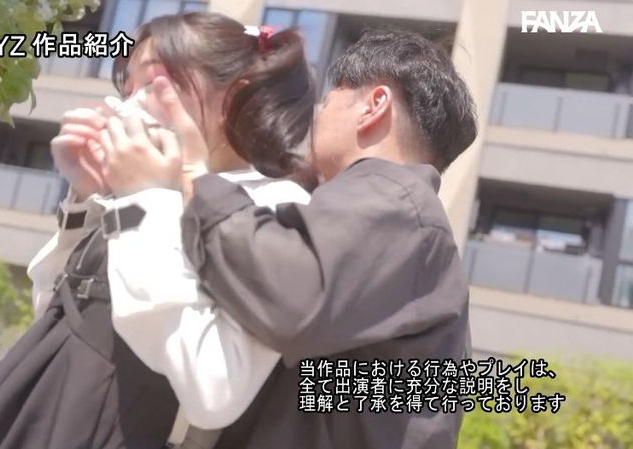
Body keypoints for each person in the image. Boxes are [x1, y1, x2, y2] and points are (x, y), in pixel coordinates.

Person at [0, 12, 315, 449]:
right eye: (128, 89)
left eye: (154, 85)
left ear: (235, 95)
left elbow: (214, 392)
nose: (127, 107)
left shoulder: (274, 207)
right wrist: (84, 199)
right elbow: (57, 316)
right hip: (34, 409)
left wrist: (144, 198)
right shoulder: (147, 189)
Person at [100, 28, 478, 449]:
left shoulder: (394, 203)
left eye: (330, 98)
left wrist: (187, 182)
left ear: (374, 106)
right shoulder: (408, 219)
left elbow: (289, 294)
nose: (317, 112)